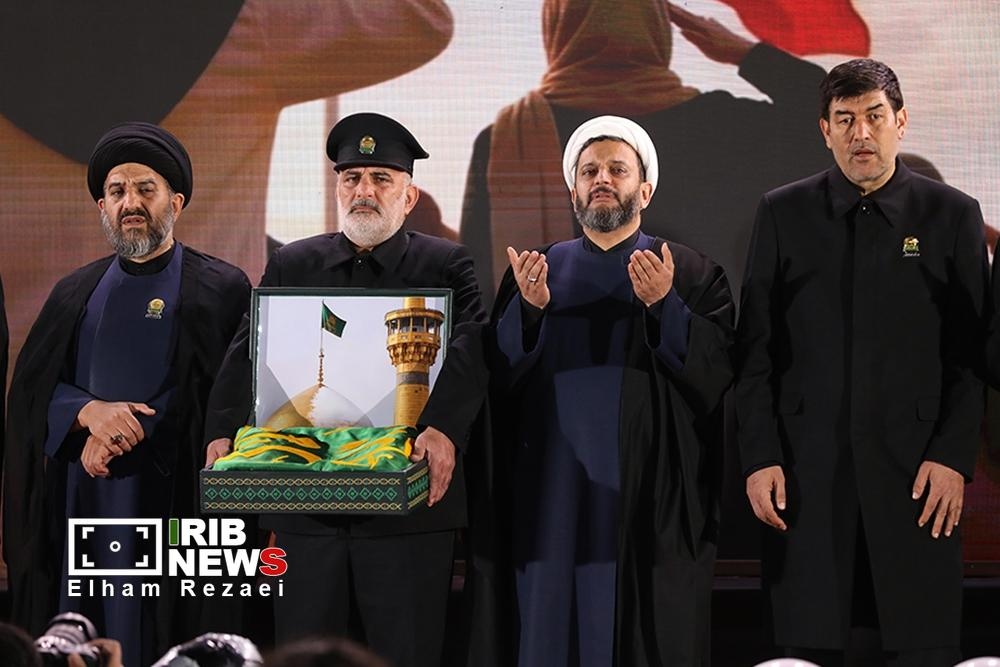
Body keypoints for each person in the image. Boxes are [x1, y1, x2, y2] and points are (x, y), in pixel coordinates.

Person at [205, 112, 487, 667]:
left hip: (409, 508)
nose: (364, 191)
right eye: (352, 178)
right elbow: (249, 350)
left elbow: (472, 348)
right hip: (304, 510)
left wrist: (444, 429)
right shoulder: (293, 263)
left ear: (409, 196)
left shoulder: (446, 264)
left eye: (381, 178)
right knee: (302, 653)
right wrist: (221, 431)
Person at [735, 59, 987, 664]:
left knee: (918, 642)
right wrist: (761, 457)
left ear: (901, 121)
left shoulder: (952, 215)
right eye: (845, 120)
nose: (861, 133)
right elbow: (756, 352)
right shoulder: (783, 212)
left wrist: (953, 458)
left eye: (875, 116)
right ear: (825, 131)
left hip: (919, 477)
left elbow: (970, 355)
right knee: (808, 645)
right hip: (807, 477)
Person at [469, 116, 733, 666]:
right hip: (552, 498)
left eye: (617, 169)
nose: (602, 180)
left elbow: (719, 376)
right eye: (589, 172)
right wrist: (529, 314)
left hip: (650, 499)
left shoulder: (687, 272)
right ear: (573, 191)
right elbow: (497, 379)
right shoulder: (537, 272)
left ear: (646, 189)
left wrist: (665, 307)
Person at [2, 123, 252, 666]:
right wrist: (87, 413)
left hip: (176, 496)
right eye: (116, 191)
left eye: (145, 189)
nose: (130, 203)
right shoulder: (74, 291)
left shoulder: (223, 288)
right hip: (87, 496)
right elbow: (30, 392)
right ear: (102, 206)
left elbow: (231, 392)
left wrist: (121, 433)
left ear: (176, 202)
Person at [460, 0, 830, 304]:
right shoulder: (726, 125)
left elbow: (480, 289)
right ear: (655, 27)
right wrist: (744, 54)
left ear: (557, 25)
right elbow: (832, 125)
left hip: (557, 363)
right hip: (699, 359)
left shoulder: (506, 138)